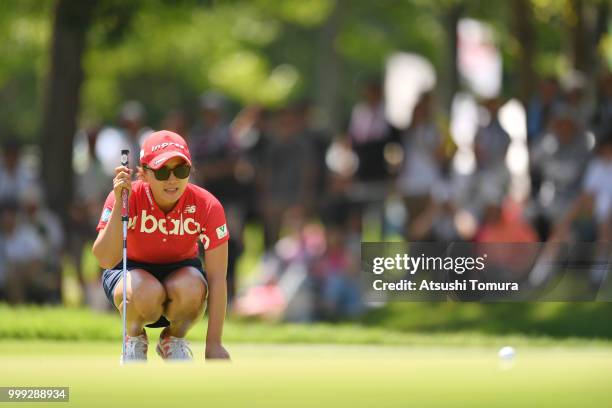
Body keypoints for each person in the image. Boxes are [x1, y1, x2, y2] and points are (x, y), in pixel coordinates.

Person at [92, 130, 231, 362]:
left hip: (181, 273)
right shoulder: (127, 196)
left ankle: (173, 340)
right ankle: (134, 338)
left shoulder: (207, 205)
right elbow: (105, 259)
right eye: (162, 171)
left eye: (181, 170)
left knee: (192, 289)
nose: (172, 179)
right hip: (130, 273)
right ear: (144, 174)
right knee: (145, 291)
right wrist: (119, 203)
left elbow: (217, 277)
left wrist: (214, 344)